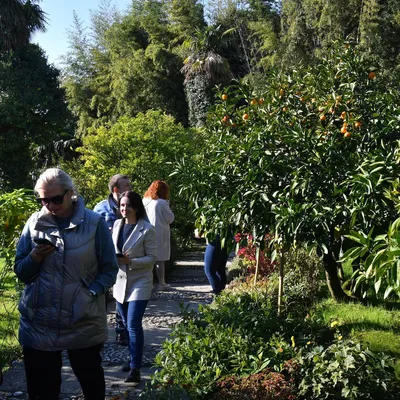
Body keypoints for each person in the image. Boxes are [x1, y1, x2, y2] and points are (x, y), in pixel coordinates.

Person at [14, 168, 118, 400]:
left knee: (91, 384)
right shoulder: (34, 223)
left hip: (81, 318)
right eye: (43, 199)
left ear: (70, 193)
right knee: (42, 390)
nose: (49, 204)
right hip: (39, 321)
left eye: (55, 198)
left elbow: (109, 268)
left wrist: (90, 293)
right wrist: (35, 257)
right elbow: (21, 271)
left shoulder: (94, 223)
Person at [112, 191, 157, 385]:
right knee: (124, 324)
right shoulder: (116, 225)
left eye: (127, 205)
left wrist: (131, 261)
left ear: (136, 207)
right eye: (121, 205)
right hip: (120, 281)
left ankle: (135, 368)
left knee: (133, 324)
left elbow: (152, 258)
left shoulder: (147, 229)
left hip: (139, 281)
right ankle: (132, 359)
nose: (124, 209)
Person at [94, 174, 132, 346]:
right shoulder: (100, 209)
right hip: (101, 260)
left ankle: (121, 331)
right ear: (116, 190)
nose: (130, 189)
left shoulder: (132, 206)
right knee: (101, 297)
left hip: (123, 260)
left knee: (121, 296)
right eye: (127, 186)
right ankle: (97, 333)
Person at [143, 180, 174, 289]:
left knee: (149, 258)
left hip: (146, 232)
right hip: (160, 233)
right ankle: (162, 283)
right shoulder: (161, 203)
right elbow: (170, 219)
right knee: (160, 259)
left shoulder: (145, 201)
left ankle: (148, 283)